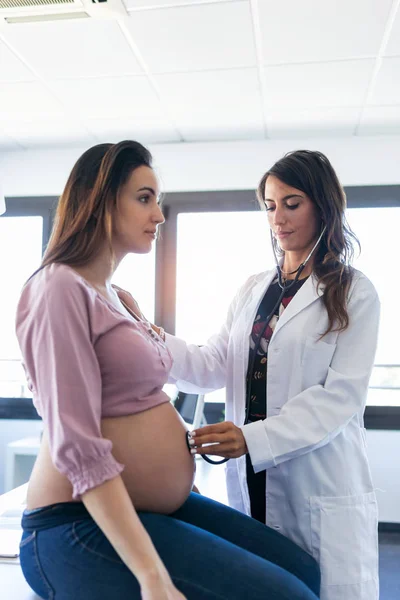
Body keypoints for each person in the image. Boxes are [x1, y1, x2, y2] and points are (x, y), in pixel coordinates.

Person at [15, 141, 320, 600]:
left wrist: (176, 464)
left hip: (152, 505)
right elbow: (76, 444)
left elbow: (142, 395)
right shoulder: (58, 287)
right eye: (144, 198)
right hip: (73, 525)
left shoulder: (116, 295)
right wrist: (152, 577)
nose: (158, 215)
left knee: (302, 569)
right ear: (100, 202)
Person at [152, 150, 380, 600]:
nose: (278, 218)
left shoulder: (355, 291)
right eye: (270, 205)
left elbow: (339, 398)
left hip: (318, 479)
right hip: (255, 479)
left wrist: (250, 438)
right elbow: (212, 363)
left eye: (292, 203)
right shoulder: (255, 289)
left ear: (324, 205)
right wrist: (149, 333)